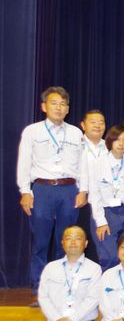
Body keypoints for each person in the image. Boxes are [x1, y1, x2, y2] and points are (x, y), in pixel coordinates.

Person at [17, 86, 87, 292]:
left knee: (66, 240)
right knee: (40, 240)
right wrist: (25, 191)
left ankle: (61, 285)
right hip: (42, 189)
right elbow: (24, 162)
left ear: (68, 109)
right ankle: (39, 286)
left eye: (63, 104)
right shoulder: (32, 131)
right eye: (54, 103)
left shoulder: (75, 132)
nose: (59, 107)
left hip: (69, 189)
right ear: (44, 106)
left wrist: (83, 190)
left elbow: (83, 165)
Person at [89, 126, 124, 270]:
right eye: (117, 140)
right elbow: (94, 195)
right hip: (105, 214)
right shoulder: (98, 163)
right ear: (110, 141)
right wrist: (100, 222)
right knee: (110, 257)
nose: (121, 144)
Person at [77, 109, 107, 263]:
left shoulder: (110, 146)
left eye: (101, 122)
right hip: (79, 200)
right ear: (83, 125)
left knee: (99, 242)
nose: (97, 125)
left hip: (103, 201)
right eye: (93, 122)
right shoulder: (76, 145)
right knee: (79, 238)